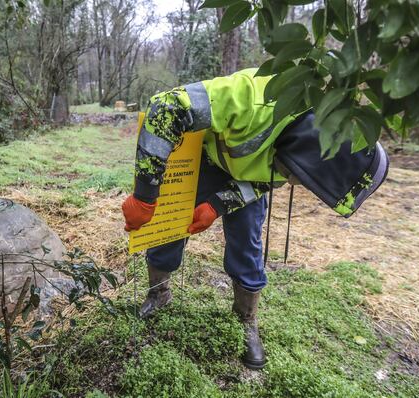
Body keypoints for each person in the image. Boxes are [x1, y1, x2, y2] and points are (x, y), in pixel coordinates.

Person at [121, 68, 389, 370]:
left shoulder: (304, 153)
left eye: (301, 179)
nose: (293, 183)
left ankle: (246, 319)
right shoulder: (252, 98)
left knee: (246, 242)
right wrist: (145, 194)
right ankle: (158, 293)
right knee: (168, 223)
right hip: (204, 156)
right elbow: (165, 107)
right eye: (296, 177)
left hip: (245, 176)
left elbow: (267, 181)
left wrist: (218, 205)